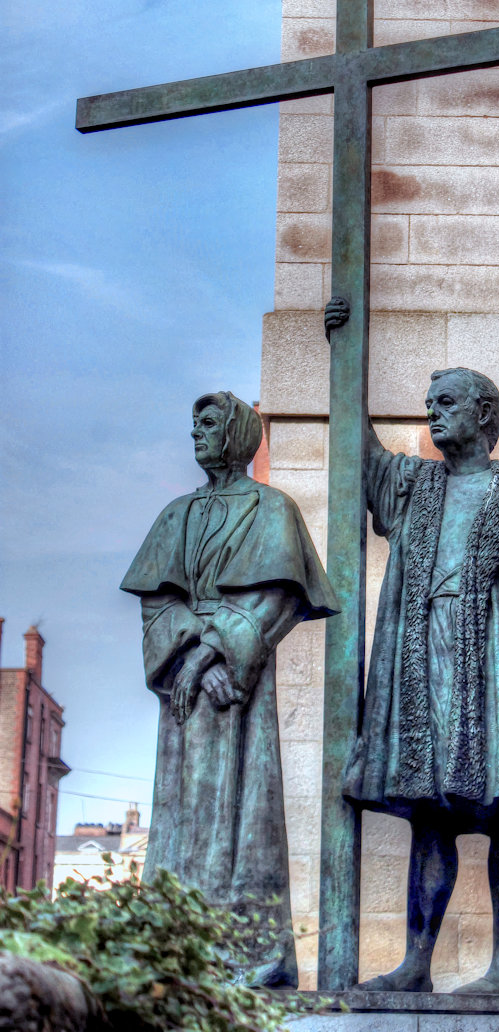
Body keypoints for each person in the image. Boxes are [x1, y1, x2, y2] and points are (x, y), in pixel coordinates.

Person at [325, 300, 499, 994]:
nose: (433, 414)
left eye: (446, 403)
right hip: (425, 667)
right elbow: (359, 450)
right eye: (428, 404)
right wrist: (341, 353)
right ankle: (417, 963)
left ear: (484, 414)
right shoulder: (413, 487)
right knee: (430, 818)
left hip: (497, 674)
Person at [121, 391, 339, 987]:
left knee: (247, 813)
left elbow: (280, 597)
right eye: (193, 422)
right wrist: (194, 657)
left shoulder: (273, 509)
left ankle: (246, 954)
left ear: (238, 435)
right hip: (188, 699)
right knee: (181, 815)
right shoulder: (174, 515)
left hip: (238, 693)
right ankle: (173, 947)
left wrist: (219, 652)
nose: (196, 431)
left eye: (209, 422)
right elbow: (156, 605)